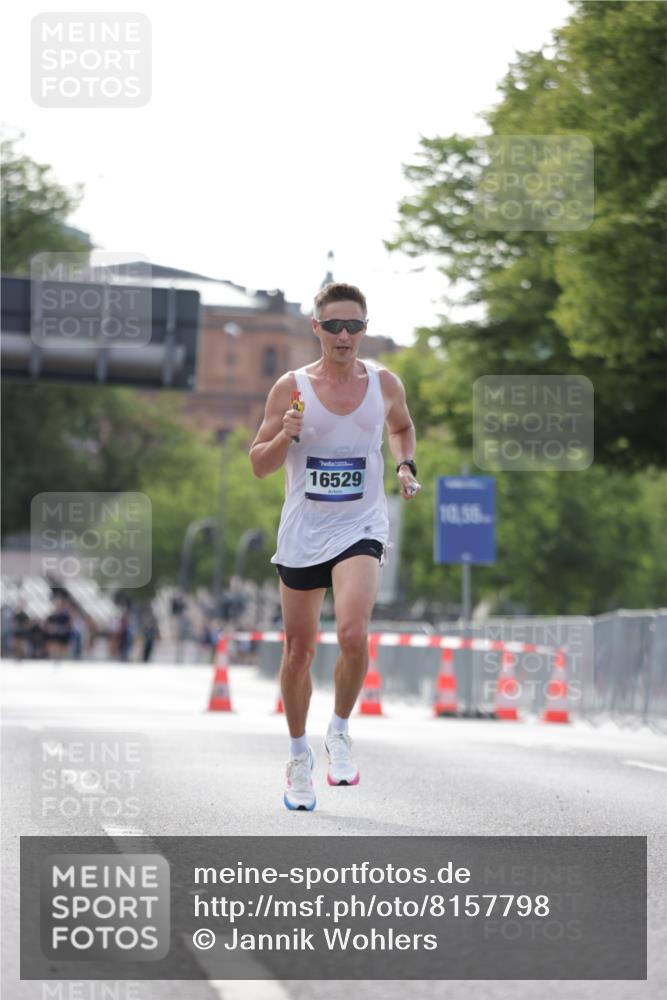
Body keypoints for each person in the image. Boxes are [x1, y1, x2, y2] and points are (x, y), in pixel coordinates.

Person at [249, 282, 420, 811]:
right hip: (304, 530)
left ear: (365, 329)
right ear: (316, 329)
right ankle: (299, 757)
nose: (344, 336)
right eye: (334, 326)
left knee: (351, 633)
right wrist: (286, 436)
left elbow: (403, 427)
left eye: (354, 326)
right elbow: (259, 464)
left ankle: (340, 731)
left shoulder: (384, 383)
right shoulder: (291, 388)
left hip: (360, 526)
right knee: (297, 652)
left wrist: (405, 466)